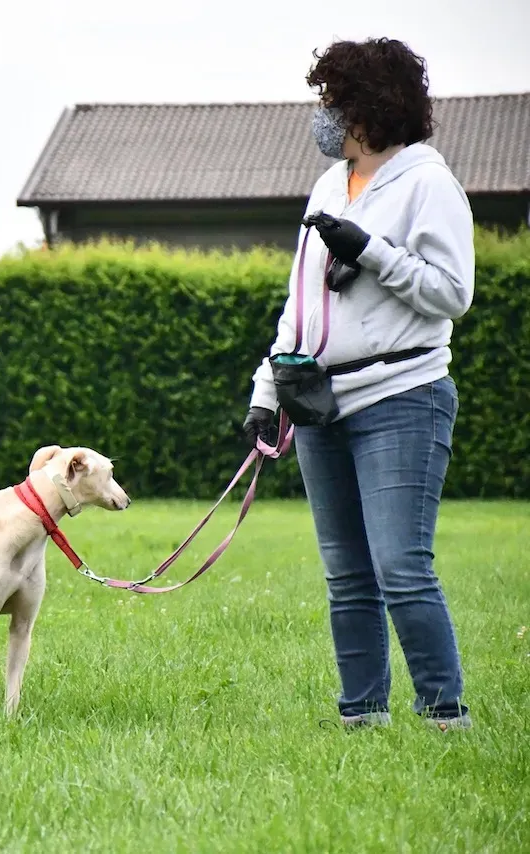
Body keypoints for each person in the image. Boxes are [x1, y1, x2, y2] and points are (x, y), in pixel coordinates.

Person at [241, 38, 475, 730]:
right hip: (319, 404)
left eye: (334, 100)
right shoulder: (327, 186)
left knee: (401, 566)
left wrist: (369, 252)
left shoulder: (429, 184)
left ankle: (442, 713)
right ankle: (361, 716)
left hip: (401, 398)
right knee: (347, 575)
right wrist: (265, 391)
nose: (324, 114)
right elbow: (301, 304)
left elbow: (452, 293)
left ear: (371, 108)